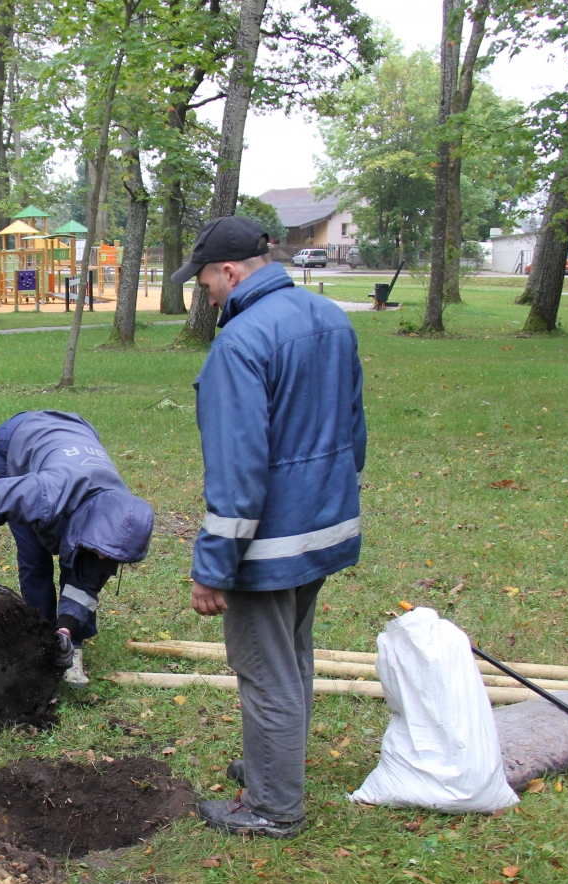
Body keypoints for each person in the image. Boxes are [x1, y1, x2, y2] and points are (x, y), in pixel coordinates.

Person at [170, 216, 366, 839]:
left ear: (229, 272)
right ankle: (271, 763)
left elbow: (237, 469)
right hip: (324, 523)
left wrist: (212, 569)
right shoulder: (329, 317)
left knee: (265, 669)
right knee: (295, 652)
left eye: (203, 281)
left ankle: (273, 806)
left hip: (270, 539)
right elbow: (354, 430)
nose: (203, 293)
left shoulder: (241, 343)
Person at [0, 410, 155, 686]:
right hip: (14, 440)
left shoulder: (120, 516)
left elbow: (89, 580)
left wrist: (67, 629)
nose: (103, 558)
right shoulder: (46, 493)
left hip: (78, 431)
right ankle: (39, 638)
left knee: (87, 560)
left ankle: (67, 645)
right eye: (102, 551)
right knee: (35, 555)